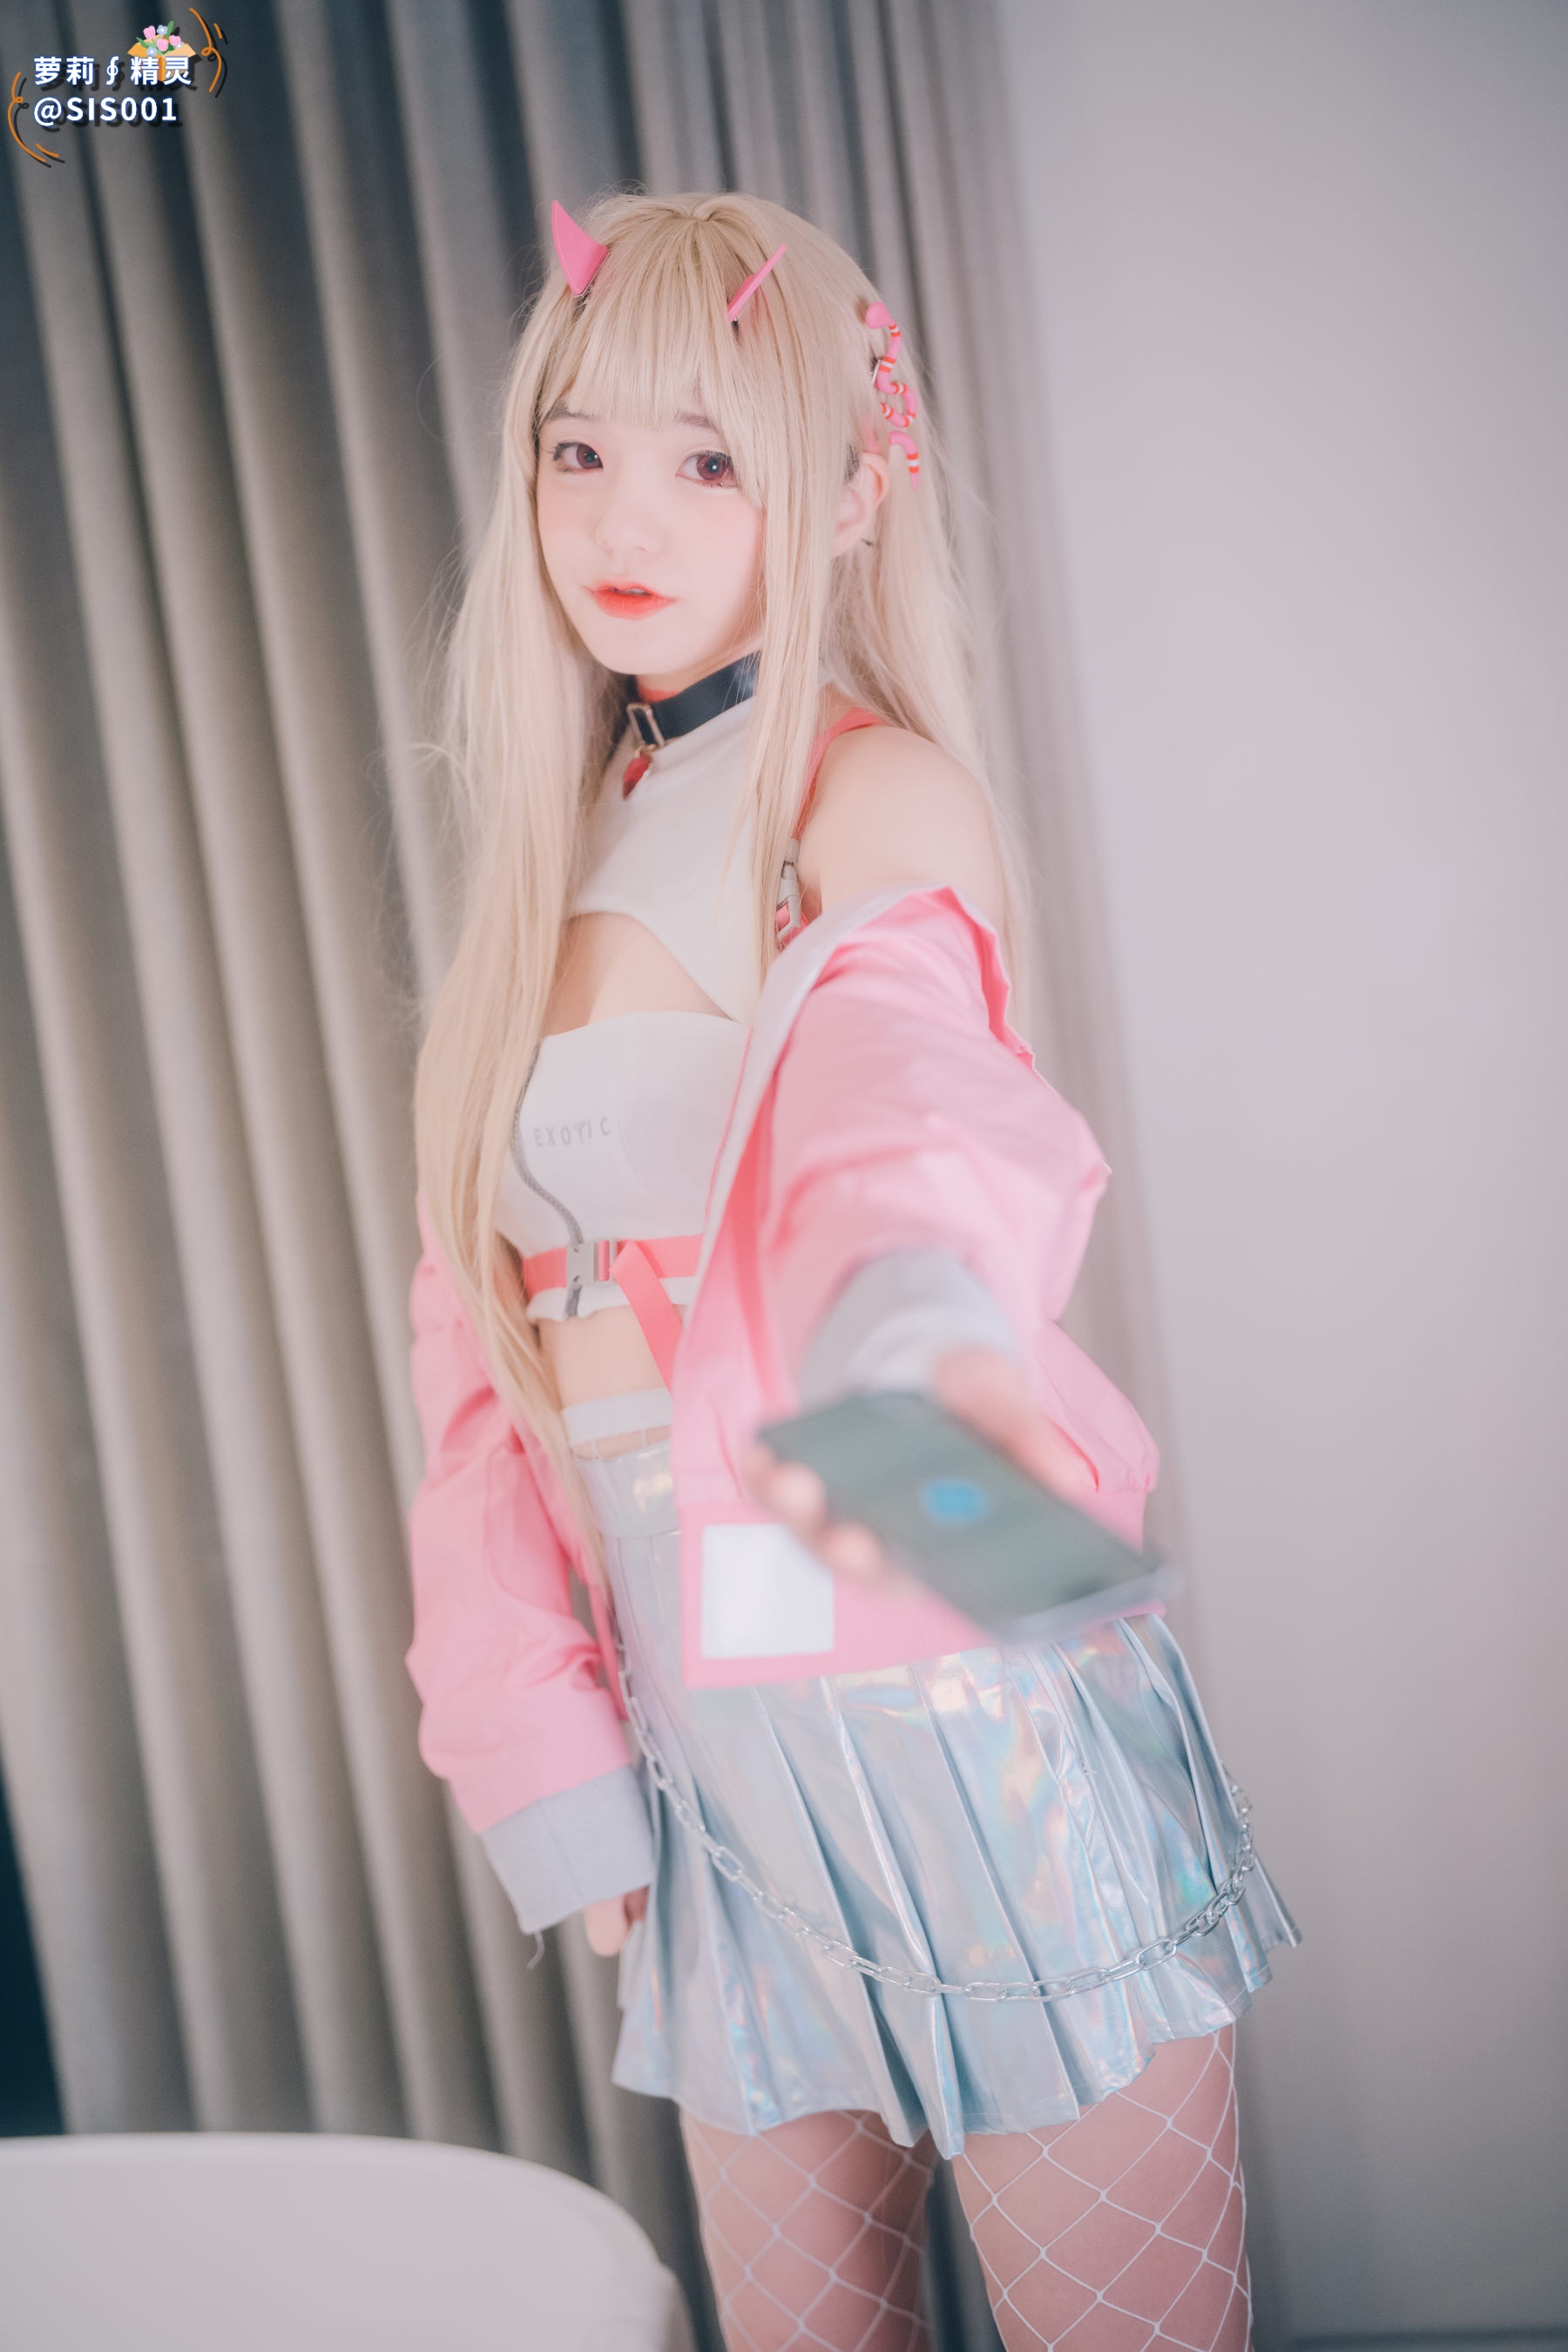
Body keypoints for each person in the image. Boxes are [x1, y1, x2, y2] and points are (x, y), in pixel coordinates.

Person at [406, 191, 1295, 2352]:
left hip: (948, 1656)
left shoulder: (867, 797)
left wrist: (912, 1342)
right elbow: (477, 1372)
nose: (622, 516)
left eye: (711, 457)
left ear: (846, 494)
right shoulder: (556, 855)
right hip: (703, 1728)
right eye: (577, 449)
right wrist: (544, 1756)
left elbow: (905, 1122)